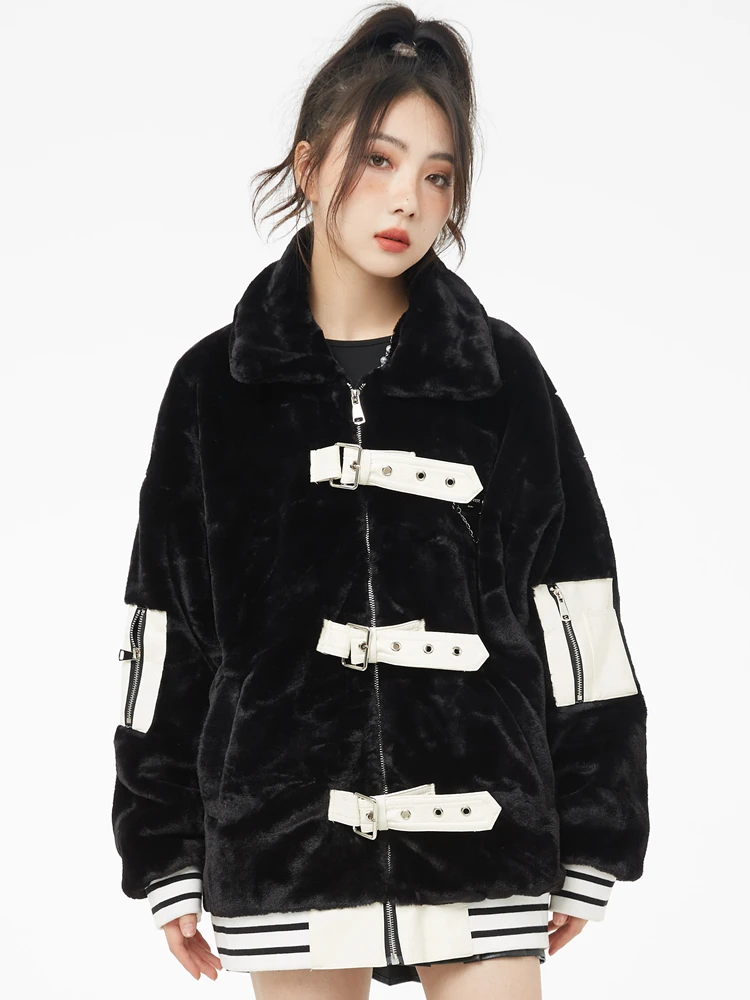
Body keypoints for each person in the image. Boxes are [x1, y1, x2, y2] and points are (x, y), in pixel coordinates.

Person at [111, 5, 649, 999]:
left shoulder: (501, 375)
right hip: (284, 837)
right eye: (379, 160)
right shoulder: (215, 386)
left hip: (485, 826)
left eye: (438, 176)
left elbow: (579, 614)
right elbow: (168, 633)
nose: (408, 198)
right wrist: (164, 851)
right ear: (310, 165)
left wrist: (598, 828)